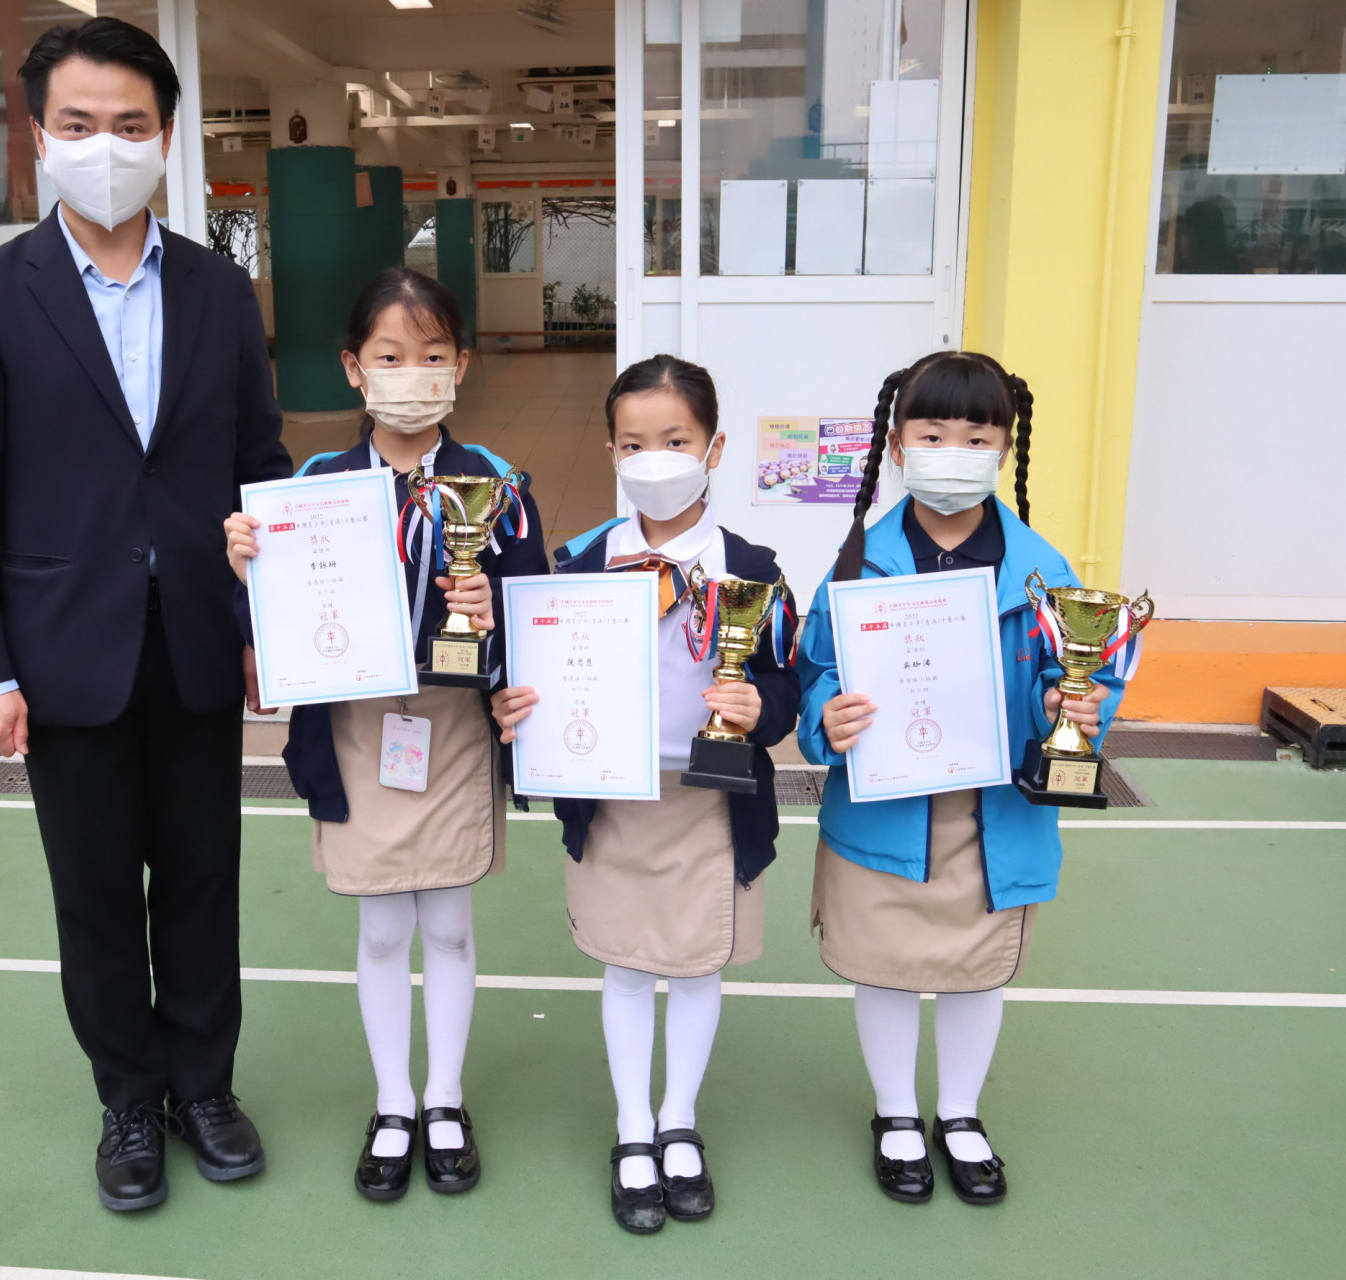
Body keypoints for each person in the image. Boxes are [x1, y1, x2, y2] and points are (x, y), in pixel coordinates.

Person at [0, 17, 290, 1213]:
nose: (106, 147)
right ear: (39, 139)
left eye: (130, 125)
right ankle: (128, 1096)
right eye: (78, 124)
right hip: (63, 648)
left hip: (194, 642)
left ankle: (205, 1086)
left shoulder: (218, 290)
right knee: (93, 894)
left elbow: (257, 468)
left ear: (166, 137)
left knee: (201, 879)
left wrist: (269, 624)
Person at [224, 268, 545, 1202]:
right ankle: (393, 1101)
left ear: (461, 366)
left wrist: (495, 611)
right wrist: (247, 575)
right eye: (390, 356)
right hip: (356, 734)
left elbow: (539, 617)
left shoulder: (500, 487)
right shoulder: (311, 488)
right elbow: (273, 630)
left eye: (432, 355)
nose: (413, 373)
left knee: (447, 924)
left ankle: (445, 1099)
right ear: (353, 368)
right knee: (379, 929)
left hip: (453, 731)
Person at [796, 351, 1128, 1207]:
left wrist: (1075, 708)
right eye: (933, 433)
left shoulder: (1044, 569)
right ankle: (896, 1113)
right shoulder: (857, 562)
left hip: (996, 813)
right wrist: (828, 719)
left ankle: (960, 1113)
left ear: (1005, 447)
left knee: (980, 969)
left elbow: (1088, 674)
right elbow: (815, 671)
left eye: (976, 437)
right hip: (884, 809)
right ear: (898, 445)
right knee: (884, 966)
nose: (954, 452)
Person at [491, 355, 799, 1234]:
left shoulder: (755, 568)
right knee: (625, 966)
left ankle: (679, 1121)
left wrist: (762, 707)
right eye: (634, 444)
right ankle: (633, 1127)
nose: (654, 459)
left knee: (699, 966)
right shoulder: (582, 561)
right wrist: (515, 708)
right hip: (614, 795)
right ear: (611, 453)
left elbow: (787, 684)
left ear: (714, 448)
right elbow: (536, 674)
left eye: (675, 440)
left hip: (711, 799)